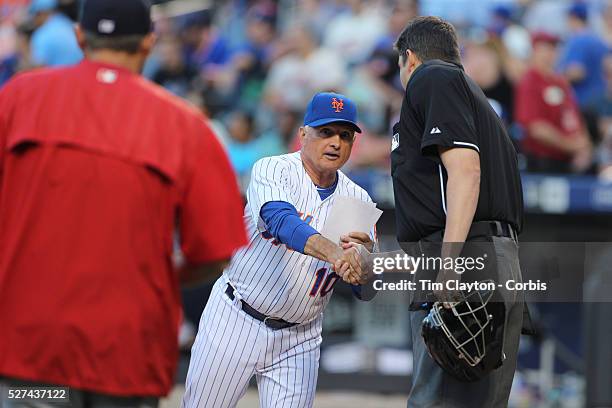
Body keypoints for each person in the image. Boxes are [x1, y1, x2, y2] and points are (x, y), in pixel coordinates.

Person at [0, 0, 246, 406]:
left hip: (31, 354)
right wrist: (162, 274)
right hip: (126, 357)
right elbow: (215, 254)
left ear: (80, 37)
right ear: (149, 42)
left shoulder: (18, 97)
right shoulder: (186, 125)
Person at [182, 92, 376, 408]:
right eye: (325, 132)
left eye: (345, 135)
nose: (335, 143)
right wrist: (335, 254)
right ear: (303, 134)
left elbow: (365, 290)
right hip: (237, 317)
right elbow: (280, 221)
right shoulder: (274, 169)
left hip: (301, 336)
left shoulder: (358, 200)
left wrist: (364, 268)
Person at [392, 16, 525, 407]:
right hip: (496, 257)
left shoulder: (431, 77)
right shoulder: (477, 100)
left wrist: (449, 266)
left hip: (463, 258)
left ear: (410, 58)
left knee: (436, 400)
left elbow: (466, 171)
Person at [515, 31, 592, 173]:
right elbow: (535, 128)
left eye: (553, 48)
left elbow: (575, 117)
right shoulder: (530, 81)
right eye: (544, 48)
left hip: (569, 160)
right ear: (534, 51)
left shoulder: (560, 82)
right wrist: (571, 146)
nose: (549, 54)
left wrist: (584, 149)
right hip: (544, 161)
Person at [28, 0, 83, 66]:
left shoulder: (42, 34)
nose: (34, 20)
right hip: (82, 72)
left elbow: (37, 66)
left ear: (41, 13)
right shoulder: (69, 23)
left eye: (35, 15)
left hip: (62, 75)